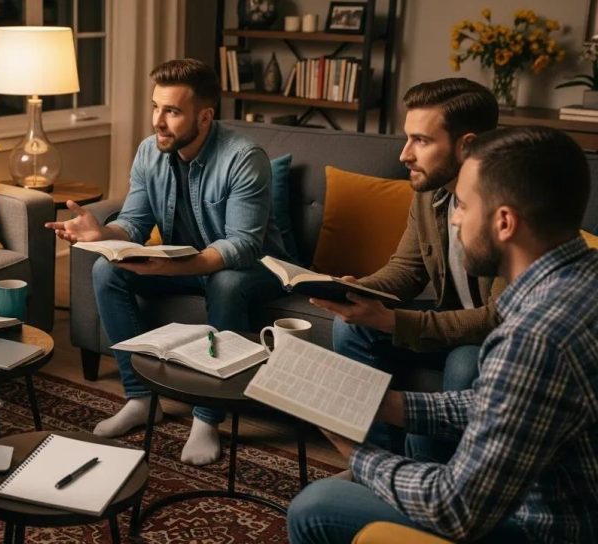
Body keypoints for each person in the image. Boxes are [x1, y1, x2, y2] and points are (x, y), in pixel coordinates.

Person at [288, 126, 598, 543]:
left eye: (464, 206)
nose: (454, 217)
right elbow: (503, 403)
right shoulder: (582, 281)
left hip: (545, 528)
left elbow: (455, 509)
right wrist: (386, 404)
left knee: (315, 506)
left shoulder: (534, 339)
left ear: (504, 222)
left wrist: (354, 449)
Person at [46, 58, 289, 465]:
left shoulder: (244, 158)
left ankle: (207, 417)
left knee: (226, 282)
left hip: (256, 270)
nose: (158, 121)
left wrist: (174, 268)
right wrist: (102, 234)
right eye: (156, 107)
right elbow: (135, 223)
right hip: (186, 265)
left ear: (205, 116)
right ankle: (141, 398)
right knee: (107, 270)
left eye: (172, 111)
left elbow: (243, 246)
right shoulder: (149, 151)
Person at [309, 78, 505, 458]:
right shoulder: (429, 191)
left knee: (466, 361)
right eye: (407, 138)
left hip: (488, 337)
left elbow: (497, 318)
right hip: (446, 320)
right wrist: (356, 290)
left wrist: (394, 321)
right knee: (350, 325)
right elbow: (407, 269)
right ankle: (380, 458)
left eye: (421, 141)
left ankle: (436, 474)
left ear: (467, 145)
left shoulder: (506, 205)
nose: (404, 155)